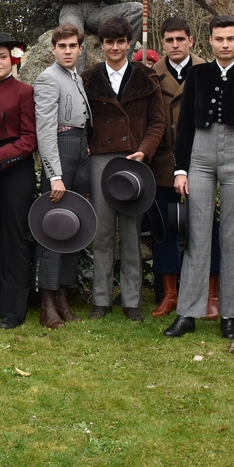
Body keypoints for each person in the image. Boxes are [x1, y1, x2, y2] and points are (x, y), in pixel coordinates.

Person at [165, 14, 234, 339]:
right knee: (197, 235)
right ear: (209, 41)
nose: (224, 44)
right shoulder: (198, 74)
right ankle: (188, 313)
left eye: (230, 38)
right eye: (219, 39)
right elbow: (184, 128)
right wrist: (180, 169)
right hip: (200, 153)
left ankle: (231, 314)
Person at [82, 17, 164, 321]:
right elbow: (82, 121)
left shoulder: (147, 77)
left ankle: (132, 302)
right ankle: (100, 301)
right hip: (101, 159)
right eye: (108, 42)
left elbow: (157, 122)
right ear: (101, 45)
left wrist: (144, 150)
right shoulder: (88, 78)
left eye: (120, 42)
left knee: (131, 234)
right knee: (102, 234)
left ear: (129, 44)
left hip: (134, 160)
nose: (114, 47)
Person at [147, 17, 220, 319]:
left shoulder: (210, 72)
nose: (175, 45)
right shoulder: (152, 75)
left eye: (180, 39)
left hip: (201, 160)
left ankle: (211, 295)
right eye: (169, 40)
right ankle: (170, 294)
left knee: (206, 229)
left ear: (191, 40)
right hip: (163, 162)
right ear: (162, 43)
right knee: (163, 230)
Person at [32, 23, 92, 328]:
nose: (68, 52)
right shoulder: (47, 79)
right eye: (62, 47)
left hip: (80, 155)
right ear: (54, 50)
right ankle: (47, 304)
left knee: (74, 228)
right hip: (60, 156)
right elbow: (45, 131)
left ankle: (63, 299)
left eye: (73, 46)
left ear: (80, 49)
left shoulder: (77, 78)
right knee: (53, 229)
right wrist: (54, 174)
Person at [0, 32, 37, 329]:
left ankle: (14, 309)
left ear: (12, 59)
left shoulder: (24, 91)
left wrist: (2, 155)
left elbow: (30, 139)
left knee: (13, 239)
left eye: (2, 56)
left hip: (15, 171)